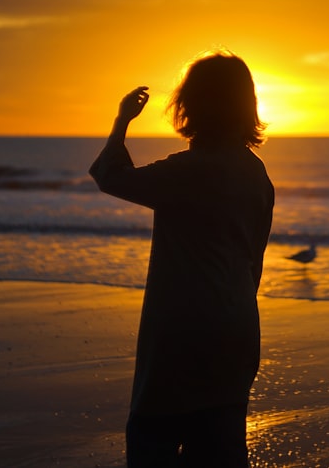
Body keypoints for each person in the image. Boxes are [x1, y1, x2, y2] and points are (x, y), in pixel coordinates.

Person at [90, 52, 274, 467]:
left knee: (152, 438)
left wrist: (121, 122)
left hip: (182, 329)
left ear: (194, 106)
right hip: (238, 325)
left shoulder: (190, 170)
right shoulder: (256, 173)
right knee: (222, 449)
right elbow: (254, 262)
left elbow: (111, 176)